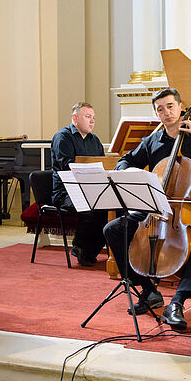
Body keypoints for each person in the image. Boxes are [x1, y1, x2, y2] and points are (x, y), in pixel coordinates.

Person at [103, 88, 191, 331]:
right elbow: (126, 160)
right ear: (156, 113)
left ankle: (178, 301)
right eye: (160, 109)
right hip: (155, 206)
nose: (166, 112)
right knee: (113, 229)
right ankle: (147, 289)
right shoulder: (152, 141)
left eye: (170, 106)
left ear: (179, 106)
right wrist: (130, 172)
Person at [50, 102, 108, 267]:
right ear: (75, 118)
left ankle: (87, 250)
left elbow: (101, 165)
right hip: (66, 192)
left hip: (89, 189)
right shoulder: (63, 137)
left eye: (93, 118)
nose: (92, 121)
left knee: (110, 208)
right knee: (90, 207)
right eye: (88, 117)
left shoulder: (94, 140)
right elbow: (66, 166)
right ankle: (82, 247)